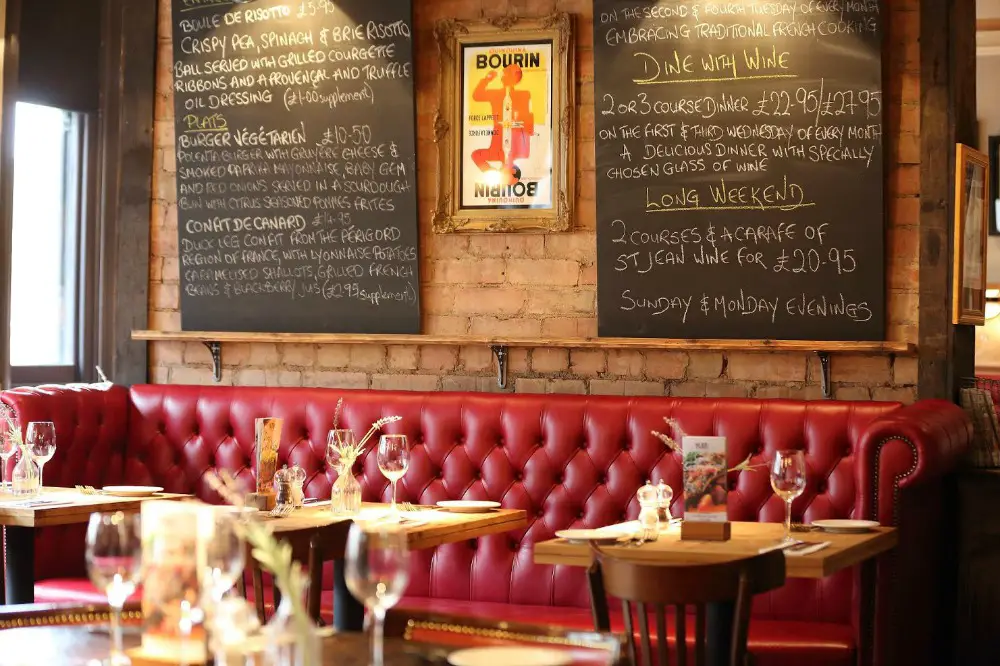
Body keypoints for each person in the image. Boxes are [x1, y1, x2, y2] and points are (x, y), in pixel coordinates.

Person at [470, 63, 534, 186]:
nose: (502, 77)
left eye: (505, 74)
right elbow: (476, 95)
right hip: (505, 137)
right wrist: (486, 80)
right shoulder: (522, 153)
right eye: (503, 75)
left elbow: (528, 119)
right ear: (513, 171)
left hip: (509, 136)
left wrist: (490, 172)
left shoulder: (523, 95)